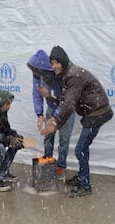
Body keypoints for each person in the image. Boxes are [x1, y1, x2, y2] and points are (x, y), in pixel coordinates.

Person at [41, 46, 113, 197]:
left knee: (80, 149)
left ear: (63, 61)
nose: (53, 66)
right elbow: (64, 100)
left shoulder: (73, 75)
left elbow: (69, 104)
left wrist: (55, 124)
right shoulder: (69, 73)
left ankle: (85, 185)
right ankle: (82, 177)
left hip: (97, 114)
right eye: (51, 63)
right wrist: (53, 111)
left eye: (56, 63)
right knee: (82, 149)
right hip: (93, 113)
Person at [27, 49, 75, 181]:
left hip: (67, 110)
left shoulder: (64, 73)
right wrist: (39, 114)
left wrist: (55, 118)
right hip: (51, 107)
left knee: (64, 139)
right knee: (48, 136)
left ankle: (61, 168)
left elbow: (66, 100)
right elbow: (36, 93)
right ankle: (47, 162)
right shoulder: (38, 73)